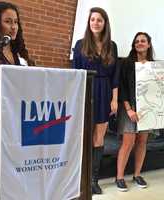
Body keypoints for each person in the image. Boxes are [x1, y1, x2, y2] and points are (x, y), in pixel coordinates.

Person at [72, 7, 119, 194]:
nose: (96, 23)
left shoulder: (112, 46)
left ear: (105, 23)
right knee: (83, 136)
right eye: (93, 19)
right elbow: (75, 73)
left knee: (99, 137)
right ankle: (79, 177)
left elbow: (115, 76)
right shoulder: (80, 44)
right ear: (89, 22)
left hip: (105, 91)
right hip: (86, 90)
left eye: (100, 20)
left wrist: (114, 99)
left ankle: (93, 179)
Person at [116, 32, 154, 191]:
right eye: (137, 41)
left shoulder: (154, 66)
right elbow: (122, 87)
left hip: (146, 109)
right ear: (134, 45)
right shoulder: (126, 63)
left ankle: (137, 174)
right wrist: (129, 109)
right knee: (128, 142)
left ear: (148, 44)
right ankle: (119, 177)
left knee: (142, 142)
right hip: (128, 108)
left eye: (143, 41)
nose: (140, 43)